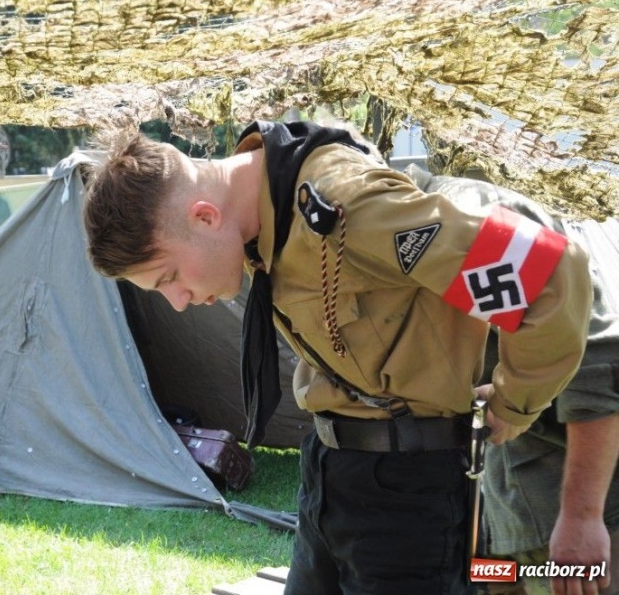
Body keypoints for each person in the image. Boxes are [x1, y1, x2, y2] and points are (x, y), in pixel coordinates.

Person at [82, 120, 593, 593]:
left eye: (169, 277)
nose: (178, 300)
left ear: (205, 215)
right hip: (331, 473)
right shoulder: (268, 214)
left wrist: (512, 403)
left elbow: (547, 274)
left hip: (408, 498)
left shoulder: (352, 203)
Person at [406, 165, 619, 595]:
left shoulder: (466, 221)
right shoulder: (395, 227)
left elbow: (600, 362)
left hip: (563, 526)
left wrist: (581, 515)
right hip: (501, 520)